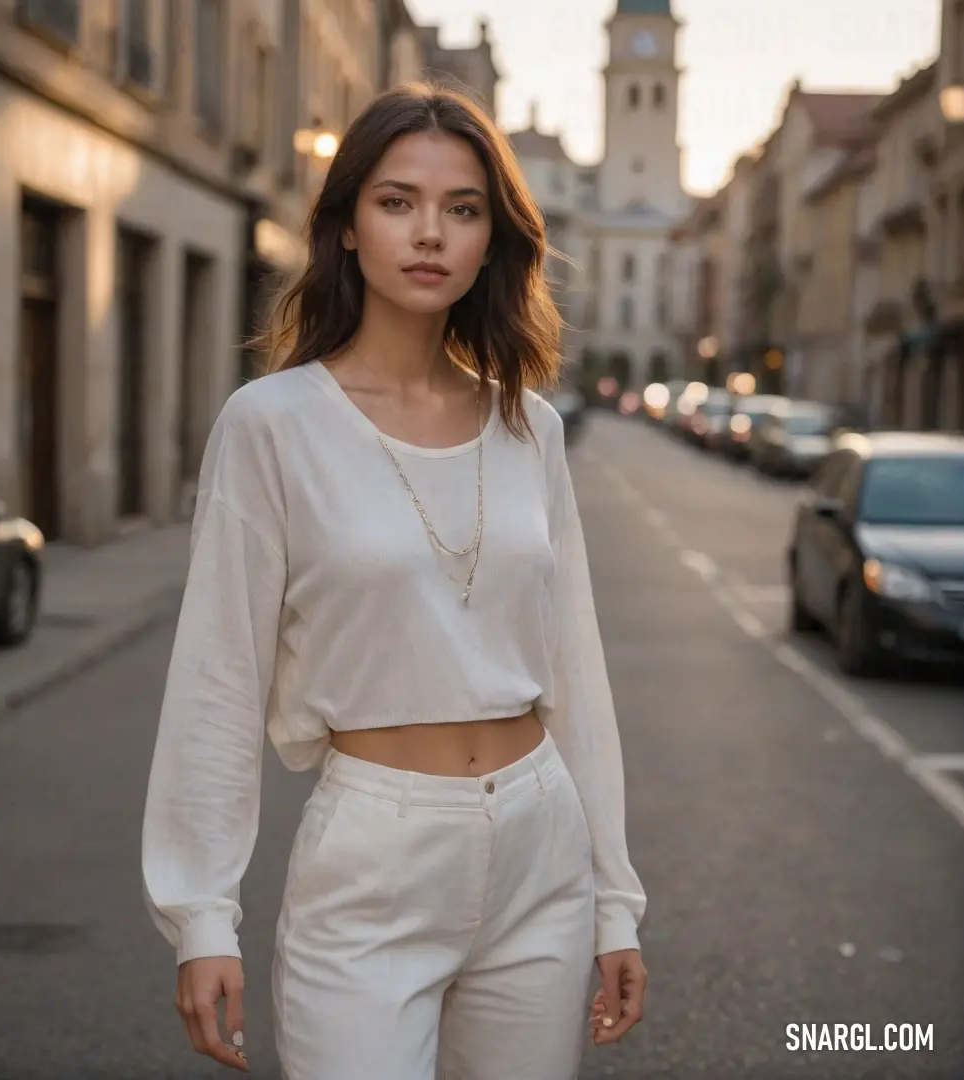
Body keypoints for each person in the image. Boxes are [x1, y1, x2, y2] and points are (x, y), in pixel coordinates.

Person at [141, 82, 648, 1079]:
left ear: (493, 240)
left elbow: (574, 671)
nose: (431, 234)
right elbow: (216, 679)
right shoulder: (272, 423)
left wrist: (614, 896)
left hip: (540, 851)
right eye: (397, 201)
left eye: (463, 210)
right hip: (374, 856)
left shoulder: (528, 427)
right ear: (344, 230)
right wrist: (201, 915)